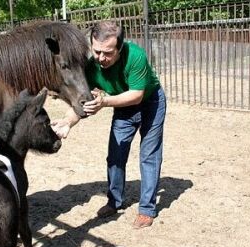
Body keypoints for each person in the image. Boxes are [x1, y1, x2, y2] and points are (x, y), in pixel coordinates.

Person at [52, 21, 166, 228]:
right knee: (115, 155)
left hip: (150, 102)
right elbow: (83, 100)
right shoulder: (91, 65)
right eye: (97, 52)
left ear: (120, 48)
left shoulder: (135, 56)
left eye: (108, 53)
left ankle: (147, 209)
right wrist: (68, 121)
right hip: (123, 106)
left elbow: (137, 95)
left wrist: (104, 102)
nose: (101, 58)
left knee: (149, 156)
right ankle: (114, 201)